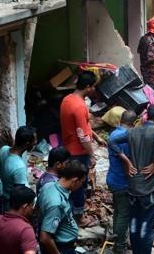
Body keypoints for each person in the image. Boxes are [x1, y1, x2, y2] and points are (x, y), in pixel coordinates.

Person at [60, 70, 100, 226]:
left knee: (72, 182)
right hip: (78, 151)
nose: (94, 90)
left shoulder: (67, 100)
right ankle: (79, 217)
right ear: (88, 87)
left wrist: (96, 137)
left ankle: (71, 212)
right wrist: (91, 155)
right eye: (93, 87)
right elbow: (82, 135)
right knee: (78, 185)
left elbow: (83, 125)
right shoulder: (79, 106)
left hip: (69, 147)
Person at [126, 105, 154, 253]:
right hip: (148, 188)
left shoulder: (132, 131)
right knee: (146, 226)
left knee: (134, 223)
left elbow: (114, 141)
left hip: (132, 186)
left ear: (147, 116)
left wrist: (127, 162)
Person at [38, 160, 88, 254]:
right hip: (61, 247)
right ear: (75, 180)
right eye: (81, 182)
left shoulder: (48, 186)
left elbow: (37, 211)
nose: (81, 185)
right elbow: (45, 238)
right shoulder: (57, 204)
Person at [106, 110, 136, 254]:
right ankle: (120, 247)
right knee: (123, 214)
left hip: (113, 178)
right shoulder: (124, 138)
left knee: (118, 212)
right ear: (133, 123)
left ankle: (117, 239)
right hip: (121, 181)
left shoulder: (114, 133)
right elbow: (126, 163)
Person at [0, 126, 36, 212]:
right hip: (12, 206)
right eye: (34, 143)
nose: (35, 143)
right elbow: (24, 193)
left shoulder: (3, 150)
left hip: (4, 198)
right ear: (27, 144)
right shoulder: (19, 167)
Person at [138, 17, 154, 87]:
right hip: (151, 72)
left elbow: (139, 52)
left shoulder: (143, 38)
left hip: (145, 70)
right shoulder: (151, 41)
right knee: (152, 91)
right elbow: (150, 58)